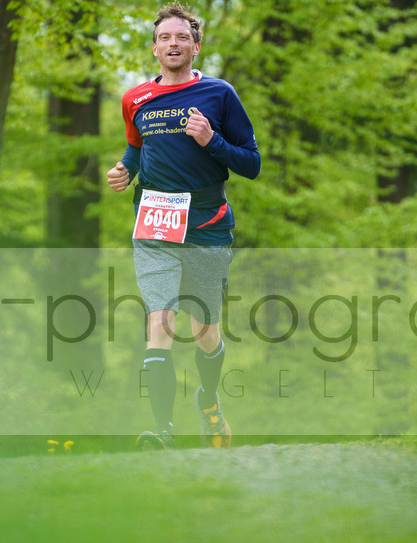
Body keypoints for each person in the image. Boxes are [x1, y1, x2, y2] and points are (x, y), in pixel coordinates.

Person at [107, 3, 260, 450]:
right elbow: (137, 149)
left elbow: (251, 163)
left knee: (204, 330)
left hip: (208, 226)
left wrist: (211, 140)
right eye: (164, 38)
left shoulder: (219, 94)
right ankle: (163, 431)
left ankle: (208, 399)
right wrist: (124, 169)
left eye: (181, 37)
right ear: (155, 47)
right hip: (155, 222)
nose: (173, 44)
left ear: (196, 45)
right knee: (161, 321)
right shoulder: (135, 99)